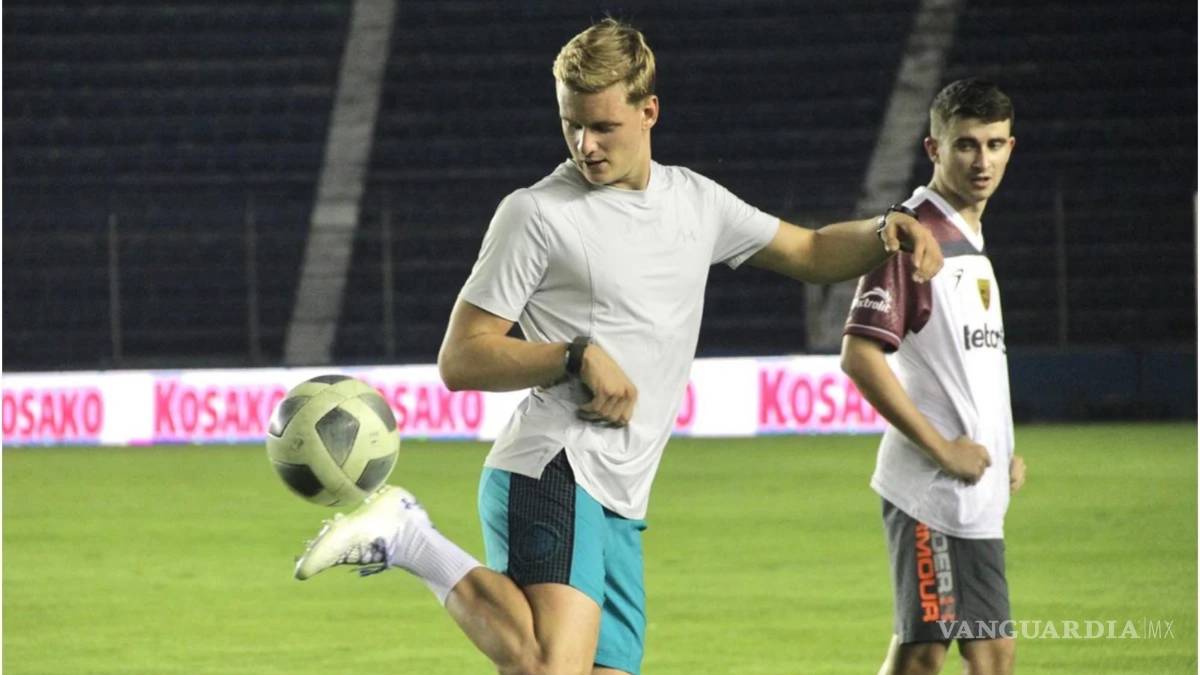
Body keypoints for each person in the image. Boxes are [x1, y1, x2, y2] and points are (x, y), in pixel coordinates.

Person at [293, 18, 943, 675]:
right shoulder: (536, 214)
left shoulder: (696, 201)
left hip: (624, 499)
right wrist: (572, 355)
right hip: (555, 466)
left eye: (603, 126)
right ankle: (407, 535)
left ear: (648, 111)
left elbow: (811, 251)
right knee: (549, 665)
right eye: (572, 125)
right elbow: (461, 358)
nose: (586, 145)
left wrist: (886, 229)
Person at [840, 78, 1027, 675]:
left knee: (980, 653)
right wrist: (943, 449)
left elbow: (966, 367)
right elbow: (860, 357)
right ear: (934, 149)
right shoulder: (912, 238)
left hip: (974, 492)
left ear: (1010, 148)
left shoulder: (970, 242)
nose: (982, 161)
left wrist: (1002, 447)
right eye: (966, 144)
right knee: (939, 652)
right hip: (931, 491)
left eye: (994, 145)